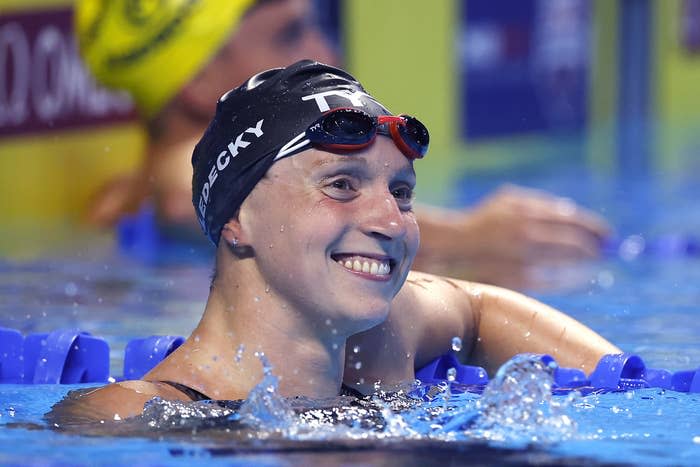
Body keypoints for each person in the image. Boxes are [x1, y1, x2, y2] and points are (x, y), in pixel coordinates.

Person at [49, 61, 620, 423]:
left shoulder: (383, 340)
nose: (392, 223)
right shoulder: (130, 416)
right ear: (236, 221)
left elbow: (475, 309)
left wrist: (619, 381)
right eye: (341, 185)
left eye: (401, 193)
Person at [76, 0, 610, 289]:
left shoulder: (124, 192)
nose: (325, 50)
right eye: (291, 34)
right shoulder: (179, 172)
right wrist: (467, 237)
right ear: (195, 80)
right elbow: (181, 191)